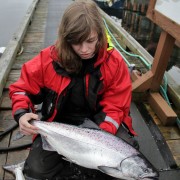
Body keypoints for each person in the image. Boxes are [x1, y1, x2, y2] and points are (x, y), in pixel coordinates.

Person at [9, 0, 138, 179]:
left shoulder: (114, 63)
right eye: (76, 43)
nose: (84, 49)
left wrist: (101, 136)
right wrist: (22, 113)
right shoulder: (47, 60)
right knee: (37, 170)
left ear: (100, 35)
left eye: (90, 41)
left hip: (99, 125)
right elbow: (21, 89)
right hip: (60, 125)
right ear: (66, 39)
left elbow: (116, 106)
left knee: (127, 156)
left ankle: (79, 161)